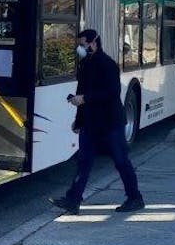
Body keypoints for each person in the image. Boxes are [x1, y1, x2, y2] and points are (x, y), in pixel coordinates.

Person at [49, 29, 145, 214]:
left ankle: (135, 198)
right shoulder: (85, 64)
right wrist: (78, 120)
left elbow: (112, 93)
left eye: (82, 44)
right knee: (83, 161)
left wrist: (85, 99)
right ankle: (73, 199)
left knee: (120, 161)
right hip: (90, 122)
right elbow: (81, 90)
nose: (79, 48)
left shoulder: (107, 64)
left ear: (93, 43)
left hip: (111, 122)